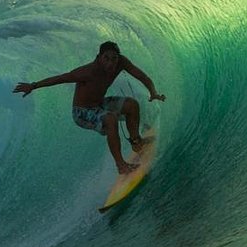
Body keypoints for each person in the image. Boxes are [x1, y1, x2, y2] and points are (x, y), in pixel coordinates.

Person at [13, 41, 166, 175]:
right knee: (111, 119)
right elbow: (61, 78)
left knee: (131, 105)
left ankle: (136, 143)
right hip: (82, 112)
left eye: (114, 58)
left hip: (99, 104)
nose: (111, 63)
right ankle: (121, 165)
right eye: (106, 58)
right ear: (99, 58)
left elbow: (142, 76)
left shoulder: (121, 63)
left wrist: (153, 92)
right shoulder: (87, 72)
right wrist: (33, 86)